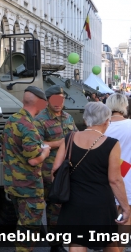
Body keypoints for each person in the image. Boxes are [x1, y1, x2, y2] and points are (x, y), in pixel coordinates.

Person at [52, 102, 129, 251]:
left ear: (85, 120)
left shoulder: (69, 138)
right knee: (109, 241)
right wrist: (125, 207)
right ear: (107, 121)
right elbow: (115, 180)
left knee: (76, 241)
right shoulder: (112, 144)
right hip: (101, 203)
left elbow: (55, 170)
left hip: (73, 202)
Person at [0, 86, 51, 252]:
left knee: (22, 224)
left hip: (13, 185)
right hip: (29, 187)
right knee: (28, 231)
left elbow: (5, 151)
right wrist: (45, 152)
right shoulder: (28, 127)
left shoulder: (11, 121)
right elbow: (33, 160)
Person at [34, 85, 78, 252]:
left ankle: (56, 244)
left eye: (61, 99)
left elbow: (75, 136)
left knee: (59, 208)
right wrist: (59, 143)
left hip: (64, 171)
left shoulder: (68, 118)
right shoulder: (40, 120)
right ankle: (53, 244)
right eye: (54, 100)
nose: (58, 103)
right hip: (46, 171)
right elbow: (36, 145)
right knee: (48, 208)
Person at [104, 93, 131, 251]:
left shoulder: (101, 127)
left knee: (109, 219)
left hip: (105, 180)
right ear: (124, 106)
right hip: (127, 179)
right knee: (125, 218)